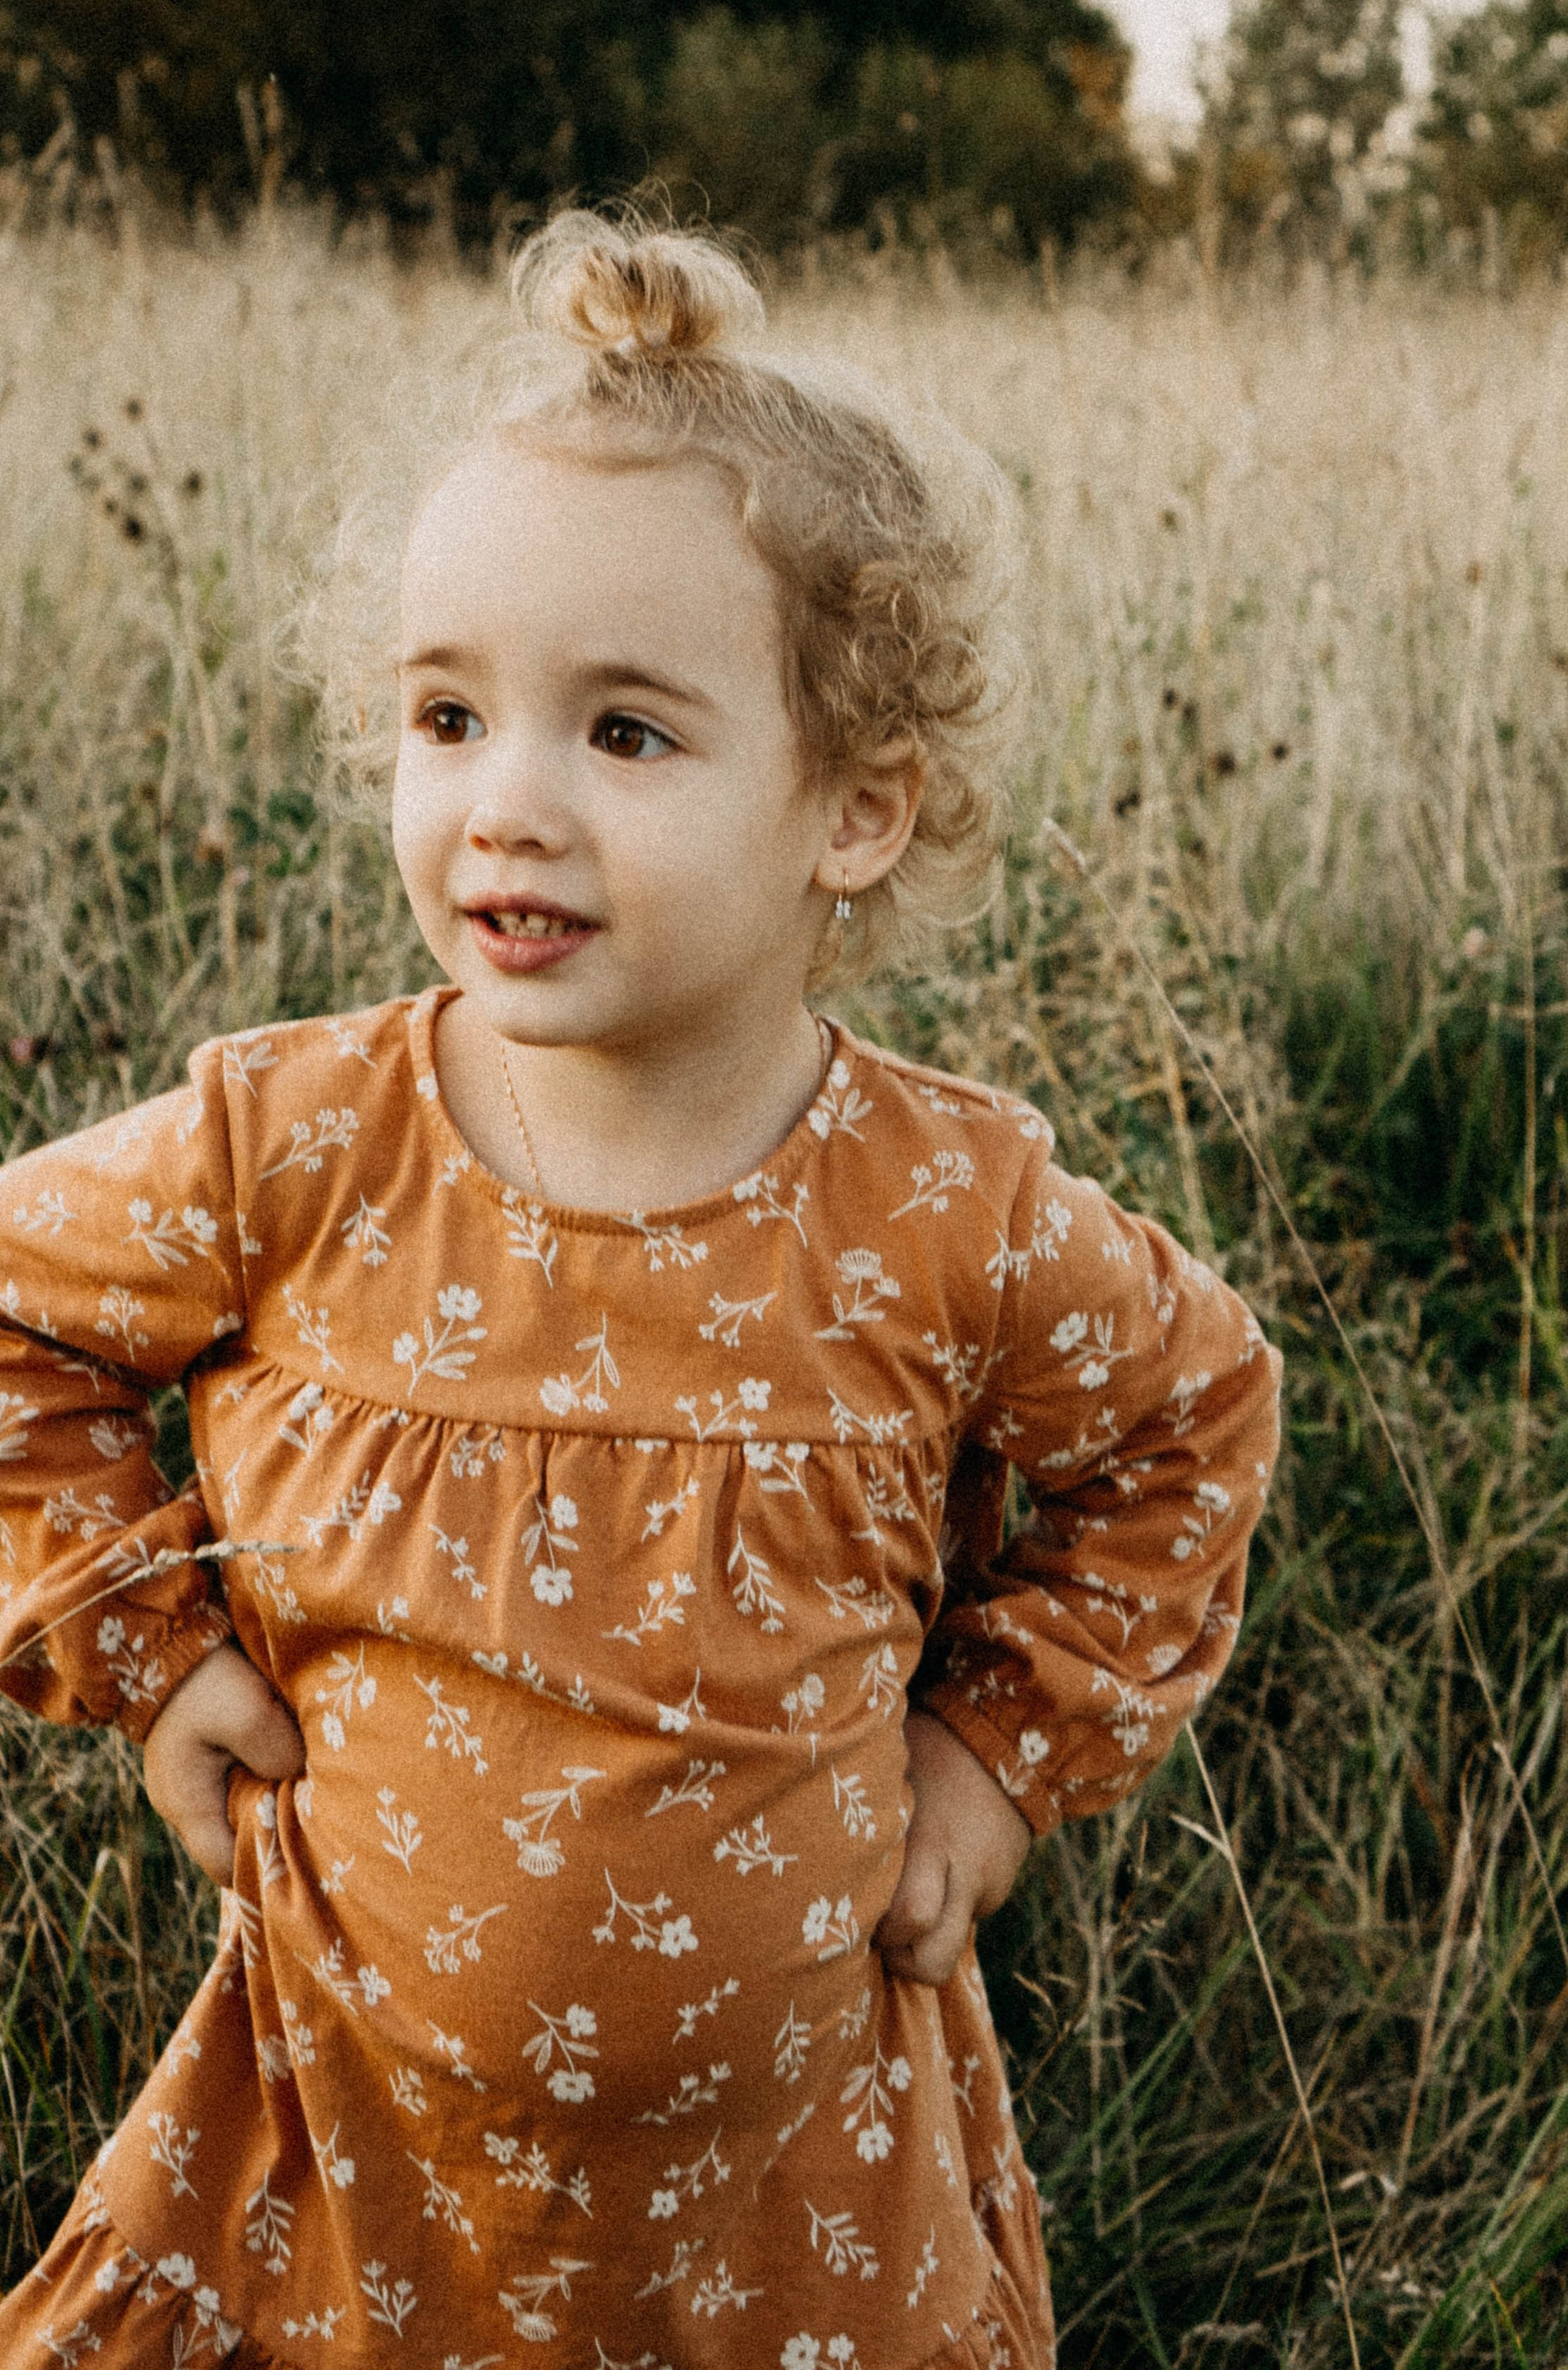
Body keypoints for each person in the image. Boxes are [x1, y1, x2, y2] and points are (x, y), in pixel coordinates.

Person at [0, 213, 1280, 2369]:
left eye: (626, 736)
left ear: (852, 812)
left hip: (787, 2216)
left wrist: (990, 1764)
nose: (506, 805)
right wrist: (145, 1653)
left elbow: (1190, 1423)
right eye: (447, 714)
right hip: (347, 2144)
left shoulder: (938, 1210)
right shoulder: (297, 1146)